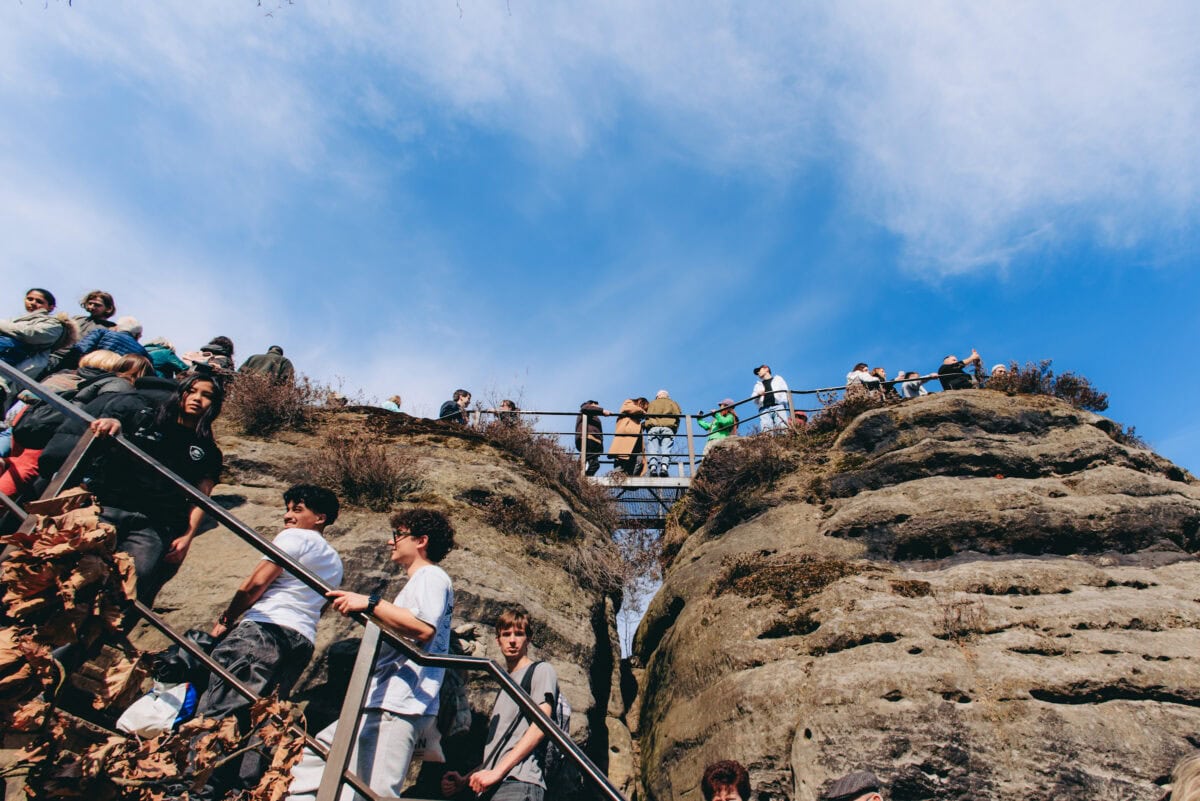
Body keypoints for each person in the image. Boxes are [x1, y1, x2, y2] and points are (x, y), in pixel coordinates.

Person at [287, 508, 457, 801]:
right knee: (311, 768)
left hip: (399, 703)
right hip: (381, 700)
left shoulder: (431, 576)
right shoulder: (421, 581)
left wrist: (369, 602)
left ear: (421, 541)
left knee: (375, 792)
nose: (392, 542)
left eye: (398, 535)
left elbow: (423, 627)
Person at [195, 484, 344, 796]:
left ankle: (195, 786)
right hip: (301, 640)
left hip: (265, 629)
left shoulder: (296, 538)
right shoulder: (335, 561)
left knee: (222, 707)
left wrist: (225, 619)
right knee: (264, 720)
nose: (287, 516)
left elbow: (257, 582)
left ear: (320, 517)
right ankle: (241, 790)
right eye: (287, 508)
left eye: (297, 509)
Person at [39, 371, 225, 609]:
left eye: (207, 395)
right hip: (108, 505)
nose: (197, 398)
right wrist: (114, 424)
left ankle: (82, 640)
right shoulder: (148, 418)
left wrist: (188, 536)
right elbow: (116, 424)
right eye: (191, 391)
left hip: (153, 524)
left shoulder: (207, 450)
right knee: (72, 568)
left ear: (214, 404)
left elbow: (201, 497)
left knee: (131, 582)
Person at [440, 606, 560, 801]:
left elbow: (541, 726)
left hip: (519, 783)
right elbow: (502, 748)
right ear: (498, 640)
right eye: (506, 634)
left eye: (519, 634)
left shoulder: (541, 670)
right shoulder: (505, 684)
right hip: (494, 786)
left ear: (528, 639)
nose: (512, 640)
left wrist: (498, 772)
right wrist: (465, 780)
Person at [0, 288, 78, 381]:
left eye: (39, 301)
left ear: (51, 307)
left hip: (17, 362)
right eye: (30, 299)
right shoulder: (16, 319)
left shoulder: (55, 324)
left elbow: (31, 334)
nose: (33, 303)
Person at [73, 316, 151, 361]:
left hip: (88, 370)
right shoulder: (142, 351)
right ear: (137, 335)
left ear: (117, 327)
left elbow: (79, 350)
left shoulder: (101, 333)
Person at [643, 390, 681, 478]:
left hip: (653, 428)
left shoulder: (652, 403)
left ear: (657, 396)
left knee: (653, 448)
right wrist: (674, 429)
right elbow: (678, 416)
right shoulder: (673, 403)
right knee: (666, 449)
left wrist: (647, 426)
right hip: (668, 428)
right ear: (667, 396)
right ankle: (664, 468)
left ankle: (653, 468)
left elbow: (647, 415)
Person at [609, 397, 647, 476]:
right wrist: (643, 412)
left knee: (639, 460)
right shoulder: (629, 402)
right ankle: (618, 475)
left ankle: (630, 477)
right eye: (644, 407)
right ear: (640, 402)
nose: (644, 410)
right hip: (626, 436)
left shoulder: (637, 419)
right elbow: (629, 408)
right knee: (622, 457)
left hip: (635, 439)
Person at [574, 401, 610, 477]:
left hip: (593, 441)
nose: (598, 408)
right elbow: (585, 408)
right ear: (591, 405)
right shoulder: (586, 408)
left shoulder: (593, 415)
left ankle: (579, 478)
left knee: (592, 463)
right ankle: (577, 477)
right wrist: (602, 411)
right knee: (592, 463)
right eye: (597, 407)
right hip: (588, 439)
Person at [751, 364, 790, 432]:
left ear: (766, 369)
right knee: (766, 431)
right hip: (764, 409)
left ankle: (785, 442)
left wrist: (784, 404)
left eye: (759, 370)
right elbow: (753, 399)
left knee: (782, 428)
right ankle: (770, 442)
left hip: (778, 406)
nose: (758, 373)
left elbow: (786, 391)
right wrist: (758, 394)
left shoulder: (778, 379)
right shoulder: (758, 385)